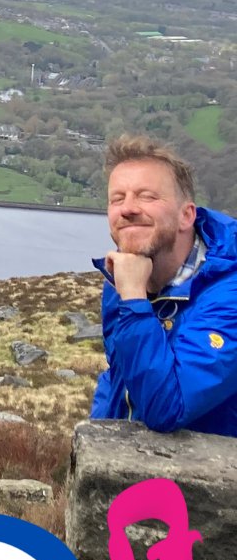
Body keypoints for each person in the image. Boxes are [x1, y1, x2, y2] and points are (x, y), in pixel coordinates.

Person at [91, 134, 237, 436]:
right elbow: (119, 374)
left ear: (187, 216)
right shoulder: (128, 272)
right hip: (135, 469)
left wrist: (133, 298)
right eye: (118, 198)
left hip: (210, 478)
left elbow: (167, 409)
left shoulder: (228, 293)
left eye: (147, 196)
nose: (128, 208)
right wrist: (96, 434)